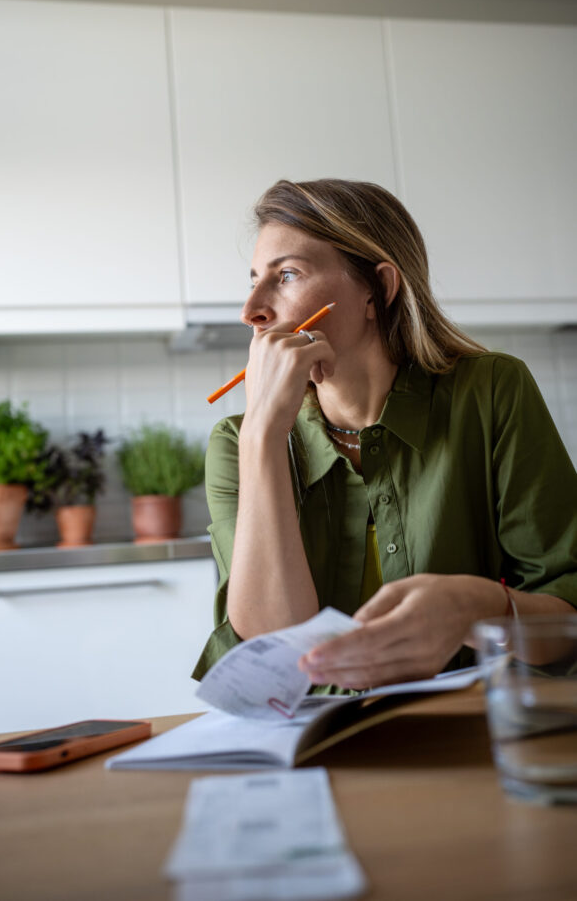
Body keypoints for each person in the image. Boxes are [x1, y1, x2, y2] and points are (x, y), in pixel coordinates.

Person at [193, 178, 577, 692]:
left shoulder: (492, 391)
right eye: (253, 280)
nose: (253, 311)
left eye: (286, 275)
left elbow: (566, 617)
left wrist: (484, 607)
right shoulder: (235, 442)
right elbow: (275, 665)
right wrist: (262, 433)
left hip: (469, 737)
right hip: (320, 748)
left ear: (378, 290)